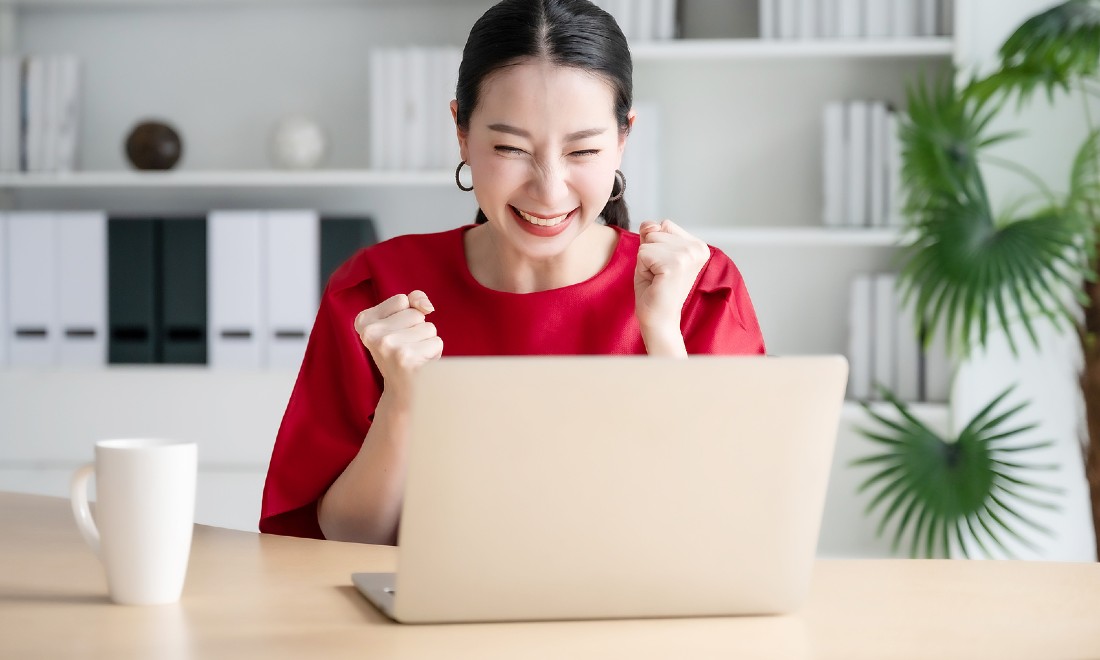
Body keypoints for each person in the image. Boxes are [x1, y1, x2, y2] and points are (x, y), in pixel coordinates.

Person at [260, 0, 766, 544]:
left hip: (639, 621)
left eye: (584, 150)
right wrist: (402, 402)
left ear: (623, 140)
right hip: (432, 622)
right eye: (510, 148)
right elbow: (339, 539)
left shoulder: (697, 289)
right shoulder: (378, 291)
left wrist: (663, 339)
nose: (548, 191)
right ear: (460, 131)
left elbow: (732, 525)